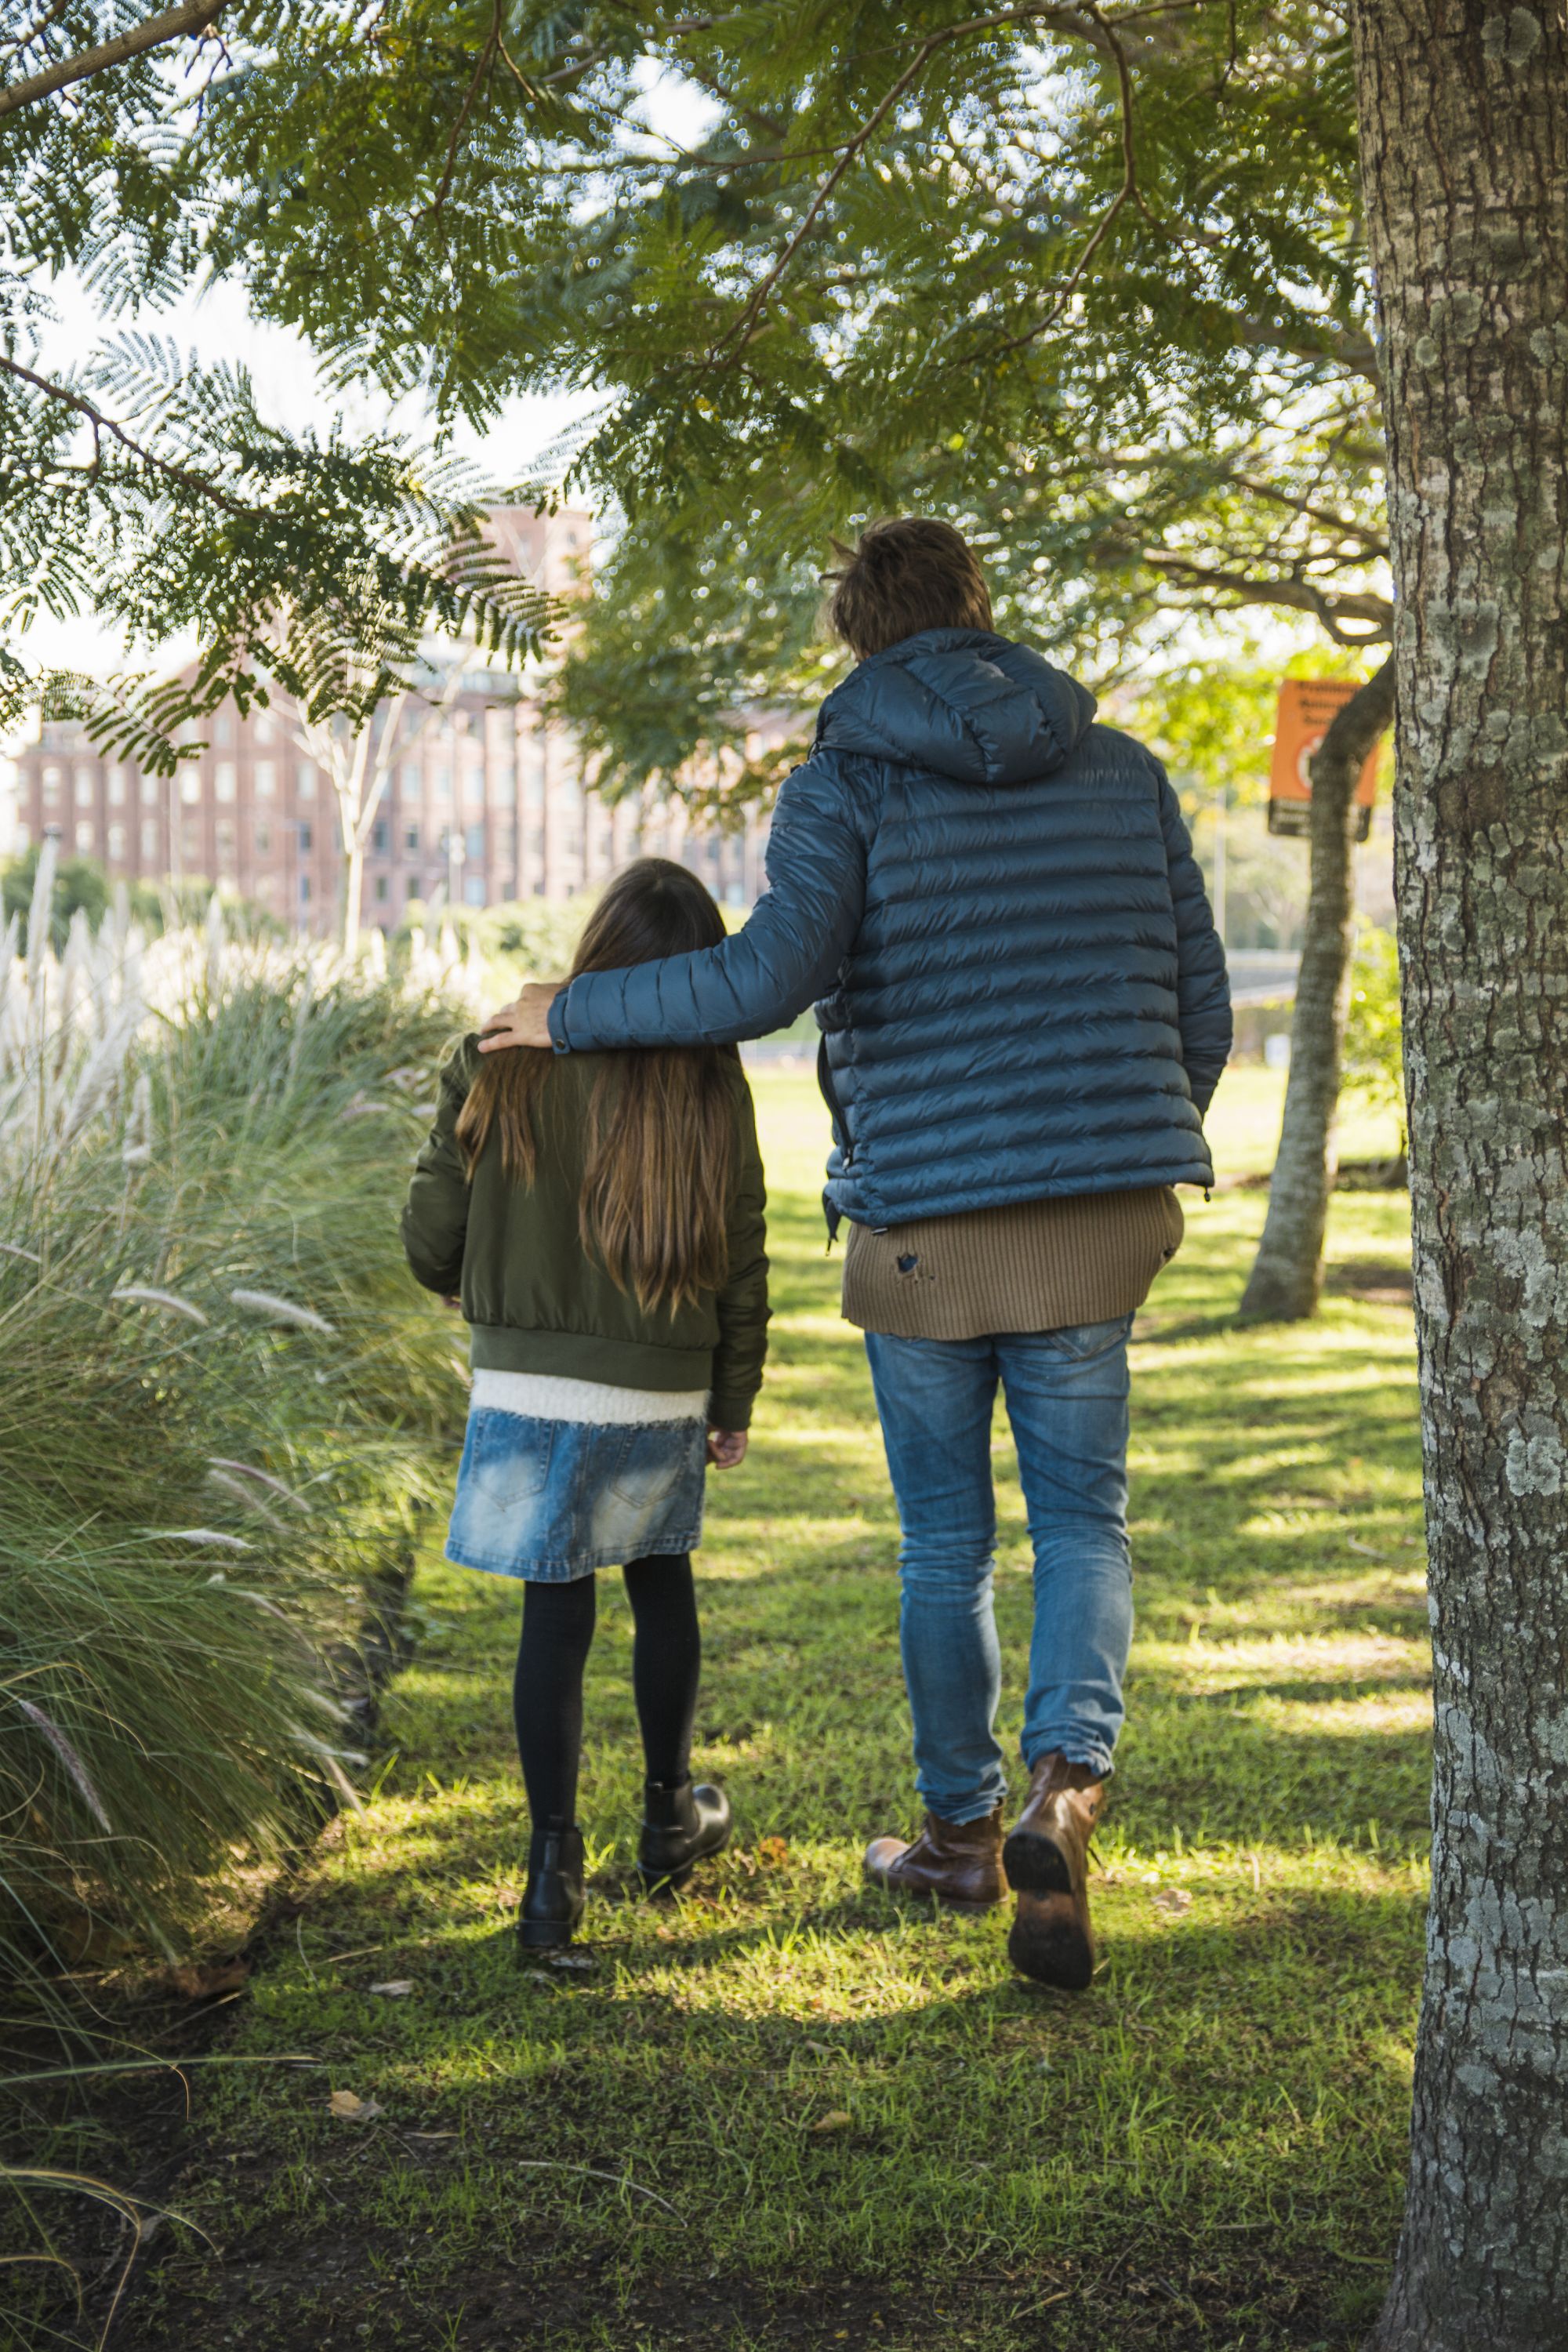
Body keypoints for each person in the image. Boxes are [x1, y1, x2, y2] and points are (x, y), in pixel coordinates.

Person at [478, 519, 1230, 1989]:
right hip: (1098, 1222)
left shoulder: (845, 785)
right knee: (1087, 1523)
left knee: (947, 1544)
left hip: (924, 1232)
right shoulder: (1127, 773)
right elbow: (1198, 1008)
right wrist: (1124, 1149)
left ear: (856, 639)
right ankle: (1064, 1790)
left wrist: (565, 1012)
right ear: (979, 607)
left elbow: (764, 980)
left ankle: (958, 1831)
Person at [402, 859, 768, 1951]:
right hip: (660, 1385)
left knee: (553, 1616)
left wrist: (470, 1266)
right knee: (661, 1584)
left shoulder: (499, 1062)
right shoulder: (711, 1082)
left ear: (594, 946)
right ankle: (668, 1817)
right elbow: (742, 1261)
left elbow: (431, 1243)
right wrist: (731, 1394)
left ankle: (550, 1876)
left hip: (523, 1383)